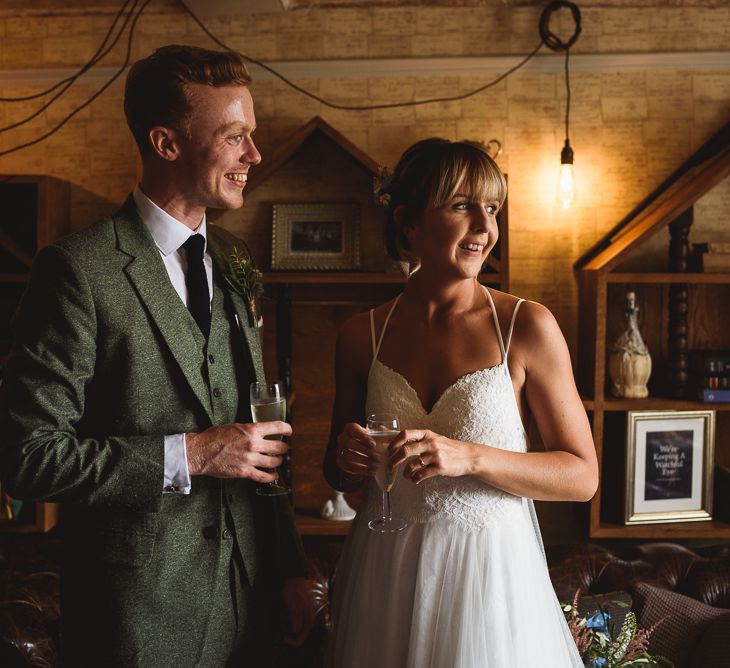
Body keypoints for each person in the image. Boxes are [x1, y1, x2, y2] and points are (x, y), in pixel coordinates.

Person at [0, 45, 315, 667]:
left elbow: (260, 441)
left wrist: (291, 567)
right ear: (166, 143)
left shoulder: (233, 262)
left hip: (250, 607)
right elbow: (27, 458)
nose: (254, 155)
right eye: (234, 137)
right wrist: (194, 453)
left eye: (251, 137)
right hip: (136, 618)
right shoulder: (77, 271)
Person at [323, 138, 598, 667]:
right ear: (409, 224)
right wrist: (346, 459)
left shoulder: (527, 326)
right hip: (385, 573)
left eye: (491, 207)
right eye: (461, 205)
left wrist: (470, 456)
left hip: (490, 581)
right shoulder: (363, 336)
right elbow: (339, 476)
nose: (484, 225)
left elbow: (581, 476)